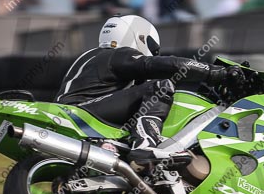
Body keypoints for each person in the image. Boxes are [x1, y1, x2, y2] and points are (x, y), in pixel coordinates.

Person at [55, 15, 245, 162]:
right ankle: (145, 144)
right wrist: (216, 72)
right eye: (152, 47)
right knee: (160, 87)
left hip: (79, 112)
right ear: (139, 36)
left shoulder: (95, 57)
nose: (153, 52)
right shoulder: (117, 54)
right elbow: (168, 64)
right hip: (82, 111)